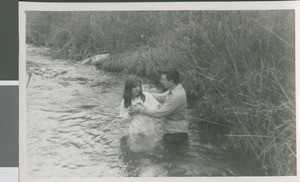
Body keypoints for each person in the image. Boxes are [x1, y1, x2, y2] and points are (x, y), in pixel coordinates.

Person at [129, 68, 189, 158]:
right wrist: (145, 94)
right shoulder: (175, 88)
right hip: (173, 133)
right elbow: (161, 97)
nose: (162, 81)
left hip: (176, 135)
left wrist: (141, 110)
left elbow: (158, 114)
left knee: (173, 161)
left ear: (171, 81)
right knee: (171, 160)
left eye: (164, 79)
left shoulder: (176, 96)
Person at [119, 76, 163, 152]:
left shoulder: (146, 96)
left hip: (148, 131)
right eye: (134, 87)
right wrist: (130, 114)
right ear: (129, 88)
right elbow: (123, 120)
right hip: (135, 133)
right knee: (137, 154)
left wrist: (143, 109)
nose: (137, 89)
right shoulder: (125, 102)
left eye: (138, 86)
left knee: (150, 153)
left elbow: (157, 109)